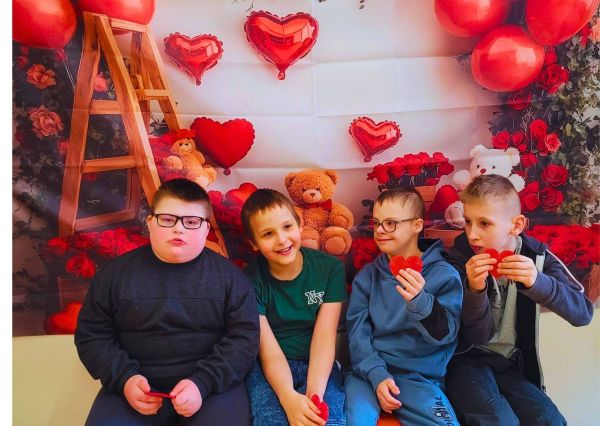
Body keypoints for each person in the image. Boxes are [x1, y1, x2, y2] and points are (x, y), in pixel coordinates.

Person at [75, 178, 260, 426]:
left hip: (211, 387)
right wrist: (125, 379)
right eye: (168, 219)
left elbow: (244, 340)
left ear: (206, 229)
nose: (179, 229)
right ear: (150, 222)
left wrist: (202, 383)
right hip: (133, 386)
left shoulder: (232, 280)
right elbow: (92, 336)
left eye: (191, 222)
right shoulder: (114, 276)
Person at [444, 174, 594, 425]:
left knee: (549, 420)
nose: (472, 234)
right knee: (498, 420)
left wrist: (538, 283)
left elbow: (583, 314)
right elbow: (476, 337)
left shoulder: (537, 256)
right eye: (468, 222)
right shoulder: (457, 259)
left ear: (516, 225)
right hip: (464, 361)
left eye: (484, 223)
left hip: (510, 362)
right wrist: (475, 291)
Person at [345, 187, 462, 426]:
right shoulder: (367, 276)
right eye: (377, 223)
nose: (380, 230)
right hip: (369, 372)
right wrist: (377, 375)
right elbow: (357, 334)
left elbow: (447, 335)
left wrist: (420, 302)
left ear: (417, 225)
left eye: (390, 223)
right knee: (355, 420)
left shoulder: (443, 274)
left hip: (420, 378)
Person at [241, 188, 347, 426]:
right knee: (271, 420)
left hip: (318, 363)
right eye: (268, 234)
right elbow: (267, 350)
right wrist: (288, 398)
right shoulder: (249, 280)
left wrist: (314, 396)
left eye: (287, 227)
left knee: (327, 420)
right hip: (270, 367)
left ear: (299, 225)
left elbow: (324, 338)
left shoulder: (330, 268)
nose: (281, 239)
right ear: (254, 243)